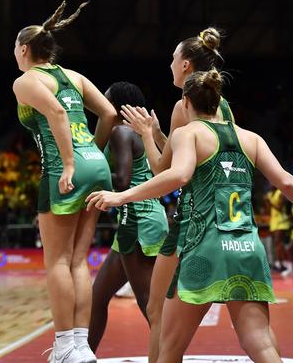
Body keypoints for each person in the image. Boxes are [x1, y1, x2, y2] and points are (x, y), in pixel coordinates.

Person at [86, 69, 293, 362]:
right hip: (247, 249)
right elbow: (285, 181)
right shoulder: (251, 139)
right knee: (259, 342)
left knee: (169, 347)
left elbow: (178, 176)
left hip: (205, 251)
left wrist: (122, 195)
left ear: (185, 102)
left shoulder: (187, 134)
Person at [116, 27, 239, 362]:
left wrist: (144, 134)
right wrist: (158, 132)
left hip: (191, 218)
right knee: (248, 328)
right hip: (229, 219)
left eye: (173, 59)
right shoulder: (221, 104)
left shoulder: (182, 105)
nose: (170, 64)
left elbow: (163, 170)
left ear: (185, 65)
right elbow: (194, 154)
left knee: (158, 311)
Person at [12, 0, 116, 362]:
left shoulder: (25, 81)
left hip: (63, 169)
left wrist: (70, 164)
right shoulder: (74, 76)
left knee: (57, 261)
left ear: (24, 49)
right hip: (96, 166)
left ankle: (63, 347)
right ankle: (80, 346)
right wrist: (93, 154)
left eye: (15, 48)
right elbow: (109, 113)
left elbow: (56, 111)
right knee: (77, 262)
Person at [87, 82, 169, 352]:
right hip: (135, 219)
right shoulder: (135, 132)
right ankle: (82, 356)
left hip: (138, 220)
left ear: (118, 107)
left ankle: (169, 357)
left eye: (106, 100)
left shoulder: (121, 131)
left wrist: (88, 178)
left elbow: (121, 182)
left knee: (150, 308)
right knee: (96, 298)